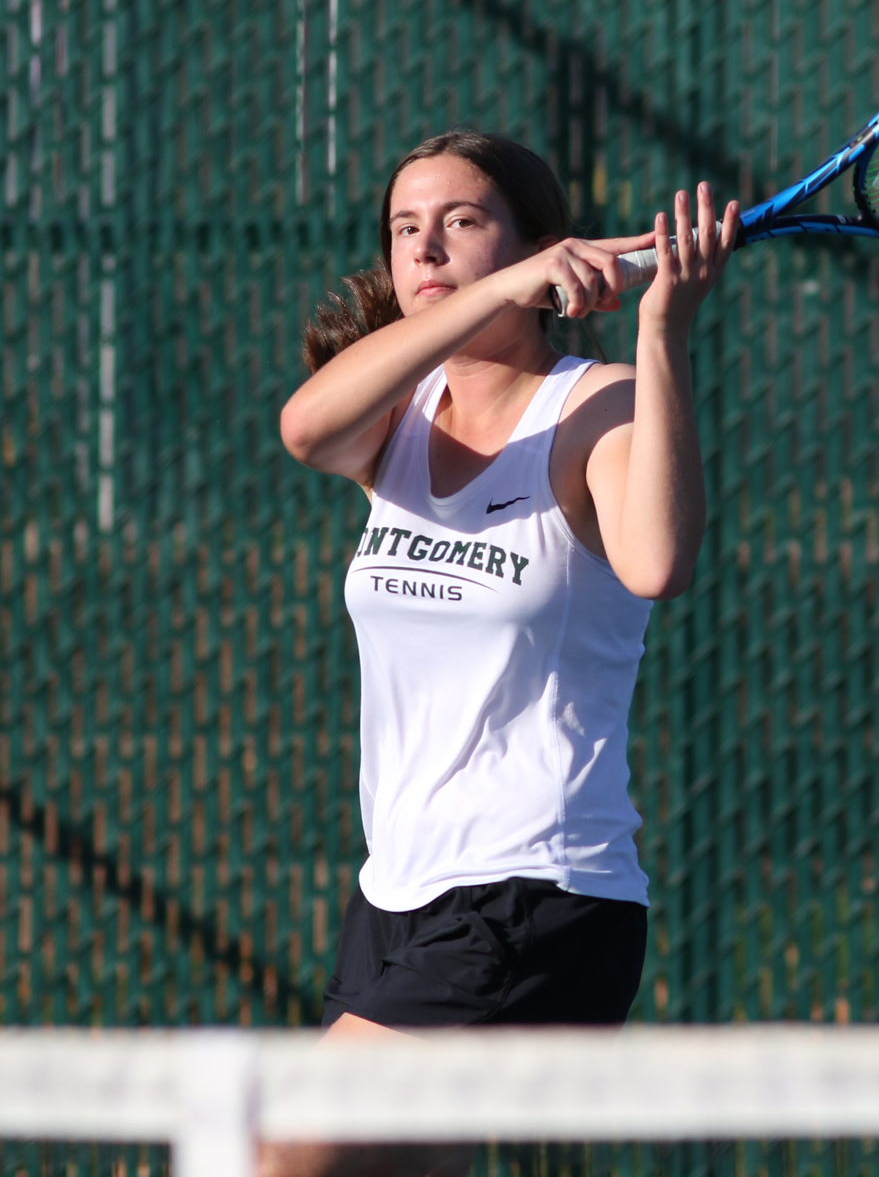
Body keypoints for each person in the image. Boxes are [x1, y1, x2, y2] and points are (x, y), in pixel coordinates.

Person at [270, 130, 738, 1177]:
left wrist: (661, 335)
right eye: (405, 229)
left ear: (537, 248)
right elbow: (304, 426)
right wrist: (508, 285)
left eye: (463, 222)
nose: (426, 249)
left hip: (537, 896)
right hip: (395, 898)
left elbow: (657, 561)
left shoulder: (597, 402)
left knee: (277, 1154)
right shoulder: (396, 411)